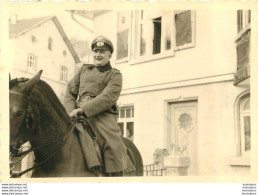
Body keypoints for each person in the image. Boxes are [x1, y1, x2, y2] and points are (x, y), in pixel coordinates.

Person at [63, 36, 127, 176]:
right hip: (76, 113)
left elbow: (108, 97)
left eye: (102, 52)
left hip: (102, 115)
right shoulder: (83, 70)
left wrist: (82, 110)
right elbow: (69, 92)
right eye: (95, 51)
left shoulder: (115, 74)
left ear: (109, 55)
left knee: (112, 143)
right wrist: (69, 111)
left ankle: (114, 177)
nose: (98, 55)